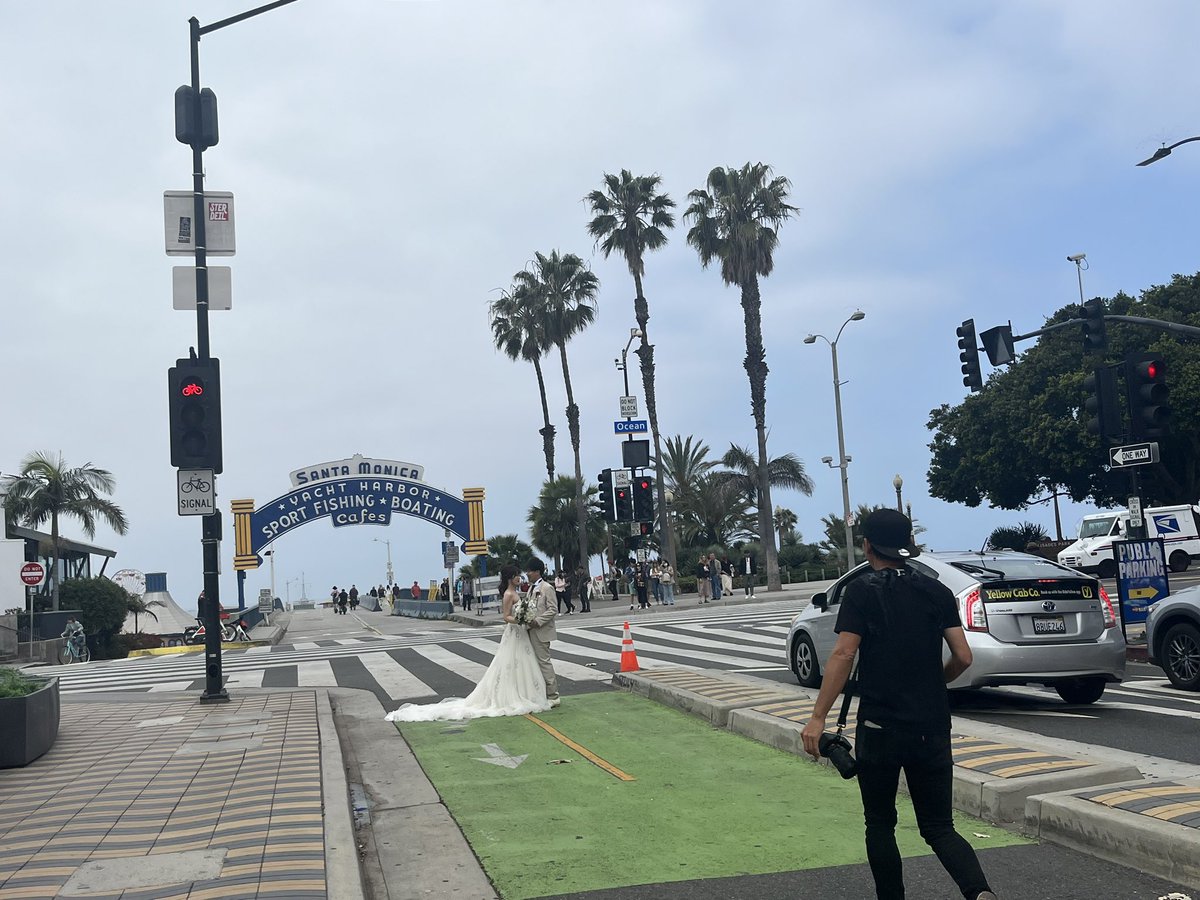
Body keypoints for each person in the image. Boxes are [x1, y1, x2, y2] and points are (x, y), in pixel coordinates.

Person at [800, 510, 996, 900]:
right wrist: (932, 682)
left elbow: (843, 654)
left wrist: (818, 717)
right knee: (939, 826)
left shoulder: (862, 591)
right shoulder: (935, 591)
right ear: (907, 545)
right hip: (932, 725)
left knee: (880, 824)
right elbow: (964, 656)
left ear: (867, 545)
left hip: (880, 726)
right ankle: (979, 893)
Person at [385, 565, 551, 722]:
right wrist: (520, 619)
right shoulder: (508, 594)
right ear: (510, 578)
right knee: (510, 663)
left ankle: (525, 692)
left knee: (521, 663)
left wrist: (524, 618)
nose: (519, 578)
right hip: (515, 631)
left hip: (521, 632)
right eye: (516, 575)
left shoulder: (516, 592)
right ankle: (514, 695)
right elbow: (506, 616)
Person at [524, 557, 560, 707]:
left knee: (544, 663)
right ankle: (542, 693)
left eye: (530, 571)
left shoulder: (546, 588)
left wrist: (538, 621)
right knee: (535, 663)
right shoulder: (531, 588)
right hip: (531, 630)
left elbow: (553, 609)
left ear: (537, 572)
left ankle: (553, 695)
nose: (527, 574)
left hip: (541, 630)